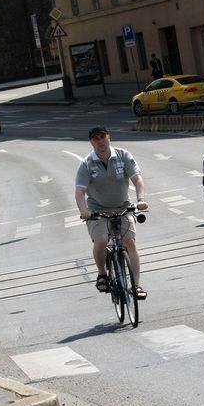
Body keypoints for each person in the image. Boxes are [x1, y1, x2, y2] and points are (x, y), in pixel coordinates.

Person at [75, 126, 149, 299]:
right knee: (101, 241)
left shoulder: (123, 155)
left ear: (109, 138)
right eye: (96, 139)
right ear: (91, 142)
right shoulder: (86, 164)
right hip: (97, 211)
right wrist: (84, 211)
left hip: (123, 206)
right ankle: (102, 273)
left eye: (103, 137)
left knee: (129, 242)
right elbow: (79, 192)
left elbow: (137, 179)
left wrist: (141, 200)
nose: (100, 141)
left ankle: (136, 286)